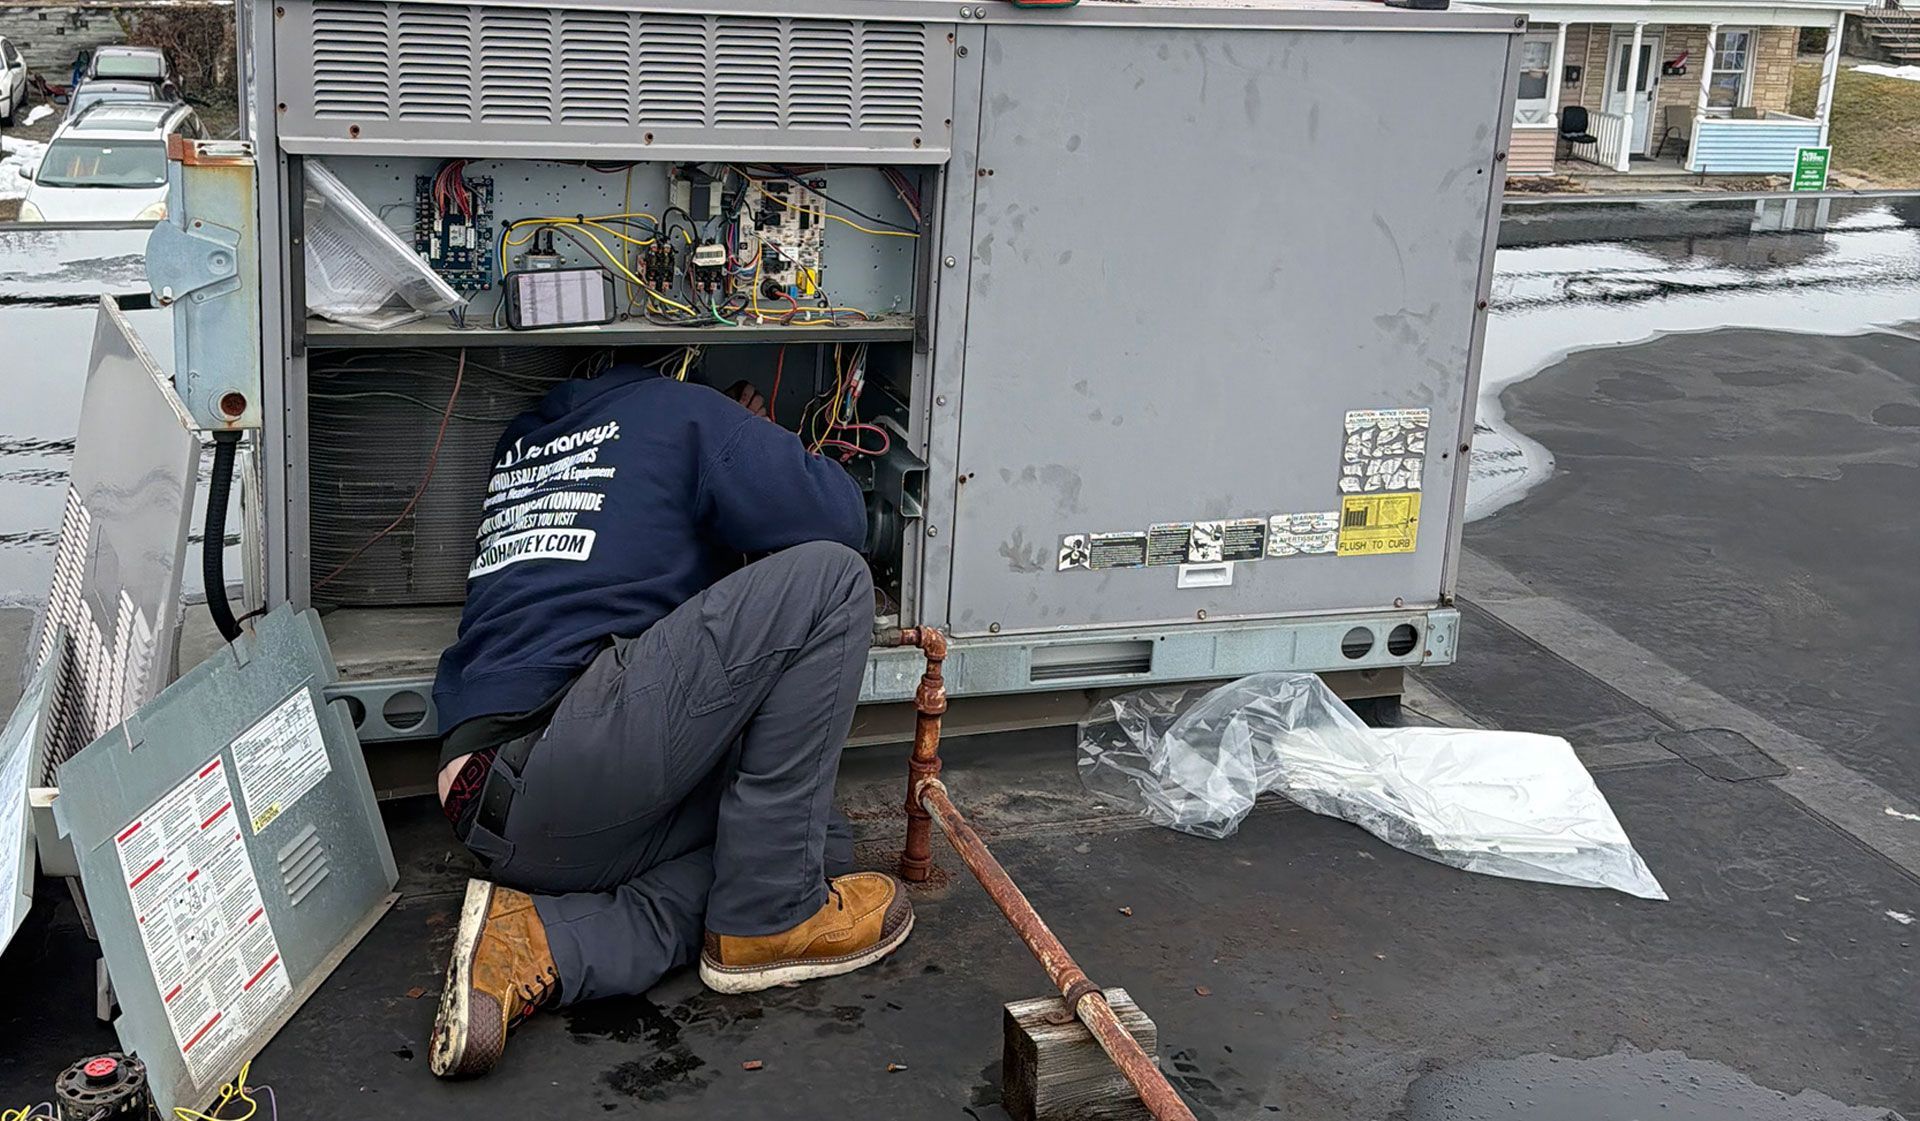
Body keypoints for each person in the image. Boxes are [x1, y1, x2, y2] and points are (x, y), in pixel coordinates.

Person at [426, 358, 912, 1079]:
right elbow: (839, 516)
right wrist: (749, 428)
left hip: (492, 807)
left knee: (810, 842)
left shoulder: (523, 440)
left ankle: (549, 943)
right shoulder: (681, 410)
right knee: (833, 579)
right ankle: (769, 919)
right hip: (563, 748)